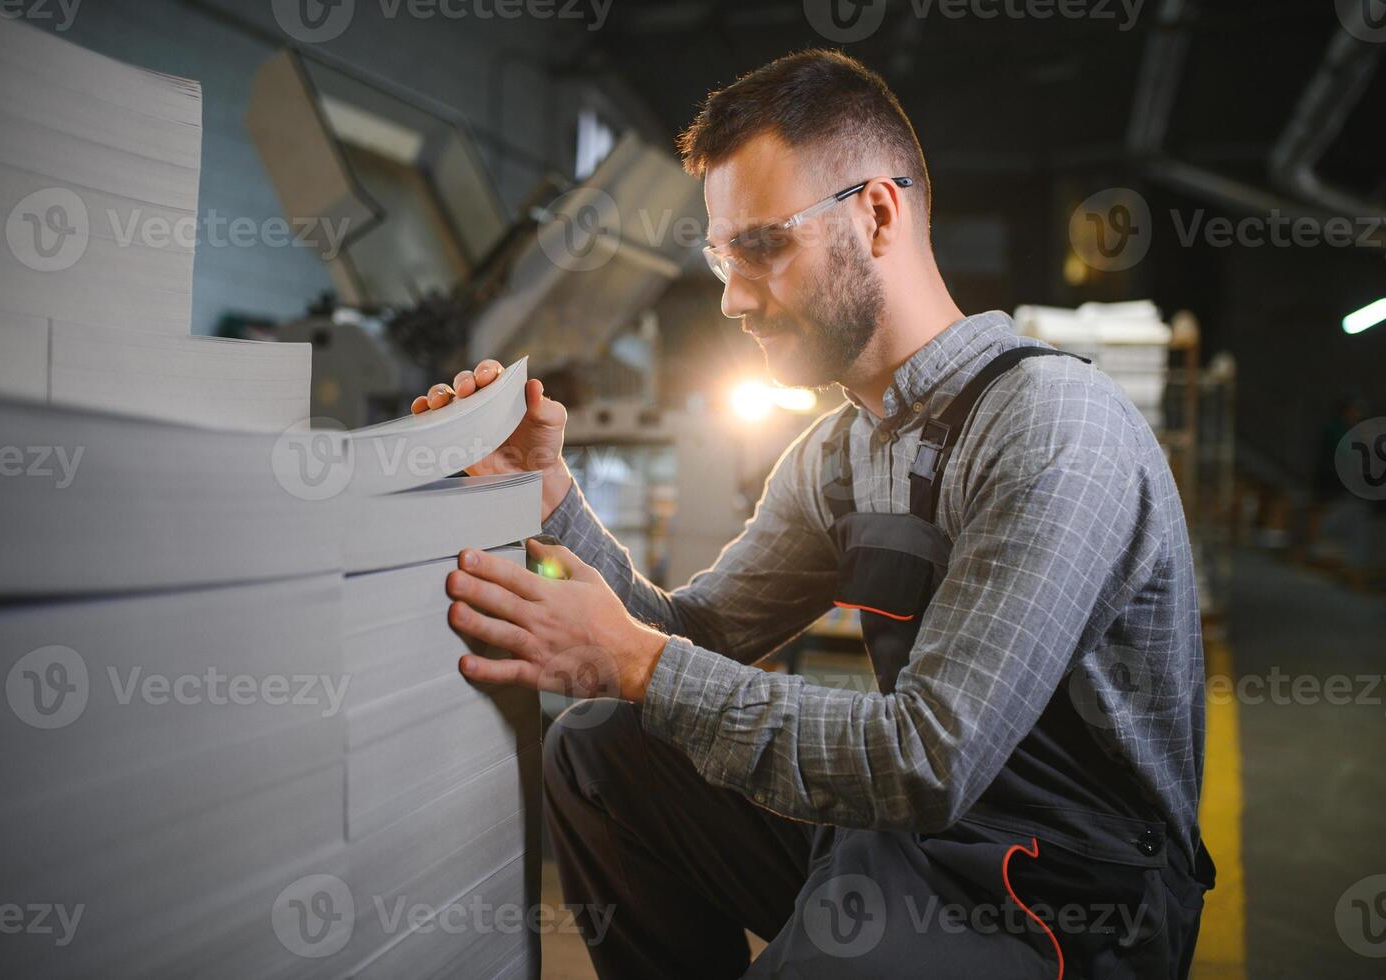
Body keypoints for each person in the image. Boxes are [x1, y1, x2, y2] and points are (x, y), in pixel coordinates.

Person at [413, 49, 1212, 980]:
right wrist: (548, 501)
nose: (730, 296)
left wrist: (637, 663)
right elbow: (689, 635)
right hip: (915, 845)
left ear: (877, 213)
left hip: (1071, 894)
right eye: (720, 255)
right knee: (600, 750)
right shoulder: (841, 451)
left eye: (761, 247)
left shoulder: (1049, 425)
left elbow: (928, 757)